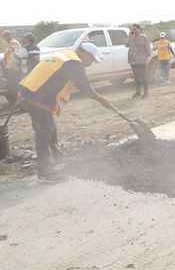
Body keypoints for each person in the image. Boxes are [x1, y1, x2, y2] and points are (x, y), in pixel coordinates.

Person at [18, 43, 112, 183]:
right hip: (36, 97)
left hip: (31, 91)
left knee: (51, 128)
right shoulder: (75, 63)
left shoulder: (65, 56)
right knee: (44, 132)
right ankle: (45, 173)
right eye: (91, 60)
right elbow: (85, 87)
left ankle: (57, 157)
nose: (90, 64)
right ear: (84, 53)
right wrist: (101, 99)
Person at [125, 24, 151, 98]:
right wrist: (129, 36)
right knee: (136, 77)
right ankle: (138, 91)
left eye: (135, 29)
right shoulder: (131, 38)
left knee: (143, 77)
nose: (134, 31)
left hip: (141, 60)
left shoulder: (144, 38)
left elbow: (148, 50)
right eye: (132, 29)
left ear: (139, 29)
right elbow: (126, 45)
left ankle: (146, 93)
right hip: (133, 61)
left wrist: (147, 59)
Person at [2, 30, 22, 104]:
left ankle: (19, 102)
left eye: (7, 34)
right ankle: (15, 101)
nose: (6, 36)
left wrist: (8, 67)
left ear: (10, 35)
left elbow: (14, 57)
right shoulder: (8, 45)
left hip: (15, 69)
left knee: (15, 86)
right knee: (11, 86)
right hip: (11, 69)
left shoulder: (14, 44)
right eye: (5, 35)